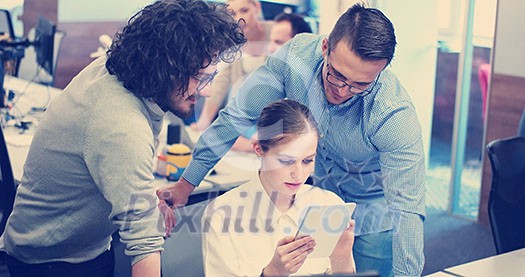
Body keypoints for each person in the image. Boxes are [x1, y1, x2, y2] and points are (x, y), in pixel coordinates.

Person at [160, 3, 426, 277]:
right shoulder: (295, 60)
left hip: (374, 209)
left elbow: (408, 209)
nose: (343, 91)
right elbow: (235, 119)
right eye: (337, 75)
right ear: (325, 48)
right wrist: (186, 184)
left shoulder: (393, 114)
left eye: (360, 85)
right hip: (317, 203)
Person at [0, 1, 246, 276]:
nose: (207, 91)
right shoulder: (120, 124)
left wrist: (143, 199)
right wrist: (143, 210)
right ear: (165, 68)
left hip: (63, 247)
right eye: (200, 79)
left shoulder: (119, 72)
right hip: (55, 262)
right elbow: (144, 243)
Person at [201, 99, 355, 276]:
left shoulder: (329, 205)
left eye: (307, 161)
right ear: (259, 150)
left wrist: (341, 259)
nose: (298, 174)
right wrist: (272, 273)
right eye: (286, 161)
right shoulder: (221, 214)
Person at [192, 11, 313, 152]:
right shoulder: (270, 82)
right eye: (271, 41)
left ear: (301, 47)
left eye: (278, 42)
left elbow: (274, 145)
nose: (271, 48)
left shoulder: (306, 93)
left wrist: (225, 139)